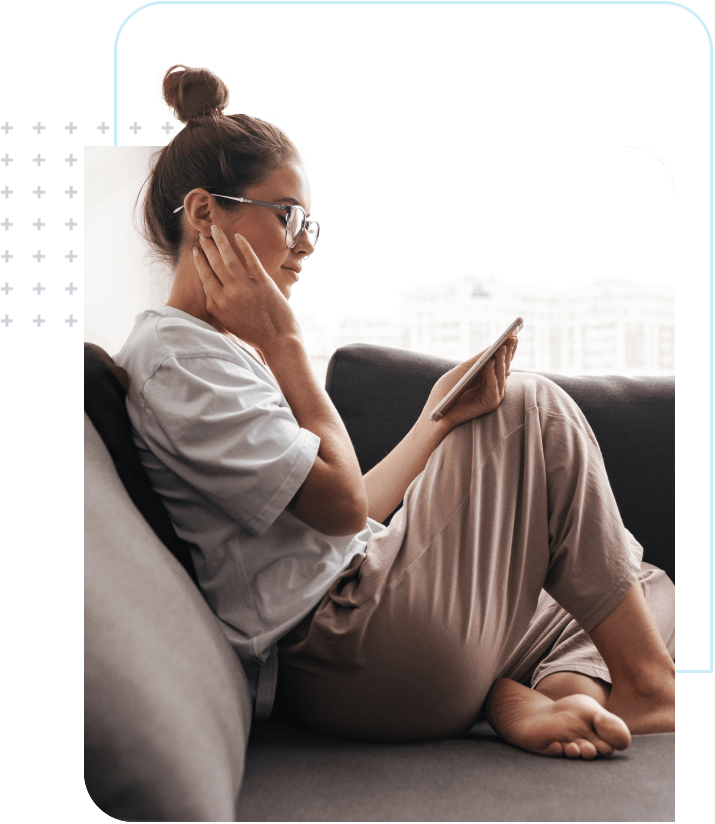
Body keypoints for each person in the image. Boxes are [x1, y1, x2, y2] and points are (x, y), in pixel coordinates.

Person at [115, 64, 675, 760]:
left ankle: (558, 698)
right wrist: (287, 345)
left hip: (374, 612)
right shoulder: (179, 362)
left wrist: (437, 417)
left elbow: (352, 512)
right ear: (205, 214)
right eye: (287, 215)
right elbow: (344, 509)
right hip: (348, 650)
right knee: (536, 408)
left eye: (309, 222)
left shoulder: (213, 354)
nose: (306, 243)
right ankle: (648, 689)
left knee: (636, 580)